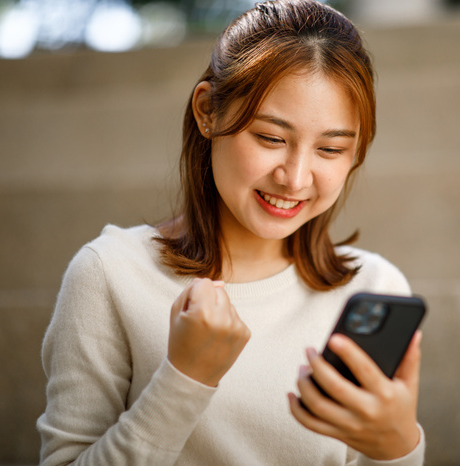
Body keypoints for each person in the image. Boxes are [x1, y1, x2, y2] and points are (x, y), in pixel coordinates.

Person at [37, 0, 425, 464]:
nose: (296, 177)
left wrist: (399, 448)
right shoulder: (110, 275)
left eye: (331, 148)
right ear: (207, 112)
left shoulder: (374, 289)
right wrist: (184, 380)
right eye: (271, 138)